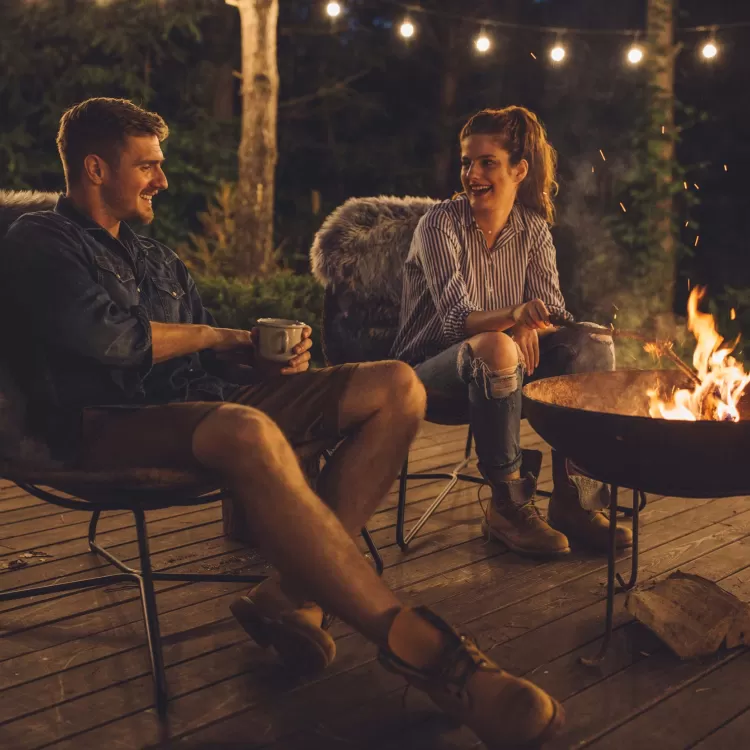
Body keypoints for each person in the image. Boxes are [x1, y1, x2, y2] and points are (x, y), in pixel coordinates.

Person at [0, 98, 565, 748]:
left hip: (204, 406)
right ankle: (431, 654)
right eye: (148, 166)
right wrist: (214, 334)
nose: (162, 180)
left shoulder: (157, 260)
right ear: (95, 169)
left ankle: (291, 593)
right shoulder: (39, 241)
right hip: (100, 426)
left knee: (397, 387)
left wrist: (247, 357)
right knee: (246, 431)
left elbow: (196, 362)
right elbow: (108, 340)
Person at [391, 106, 632, 558]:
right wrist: (515, 317)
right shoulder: (440, 224)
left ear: (519, 170)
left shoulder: (534, 229)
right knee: (499, 347)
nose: (472, 174)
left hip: (504, 367)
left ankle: (575, 498)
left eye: (487, 162)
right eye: (467, 162)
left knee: (594, 341)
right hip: (424, 374)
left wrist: (532, 321)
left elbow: (554, 311)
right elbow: (453, 320)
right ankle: (507, 506)